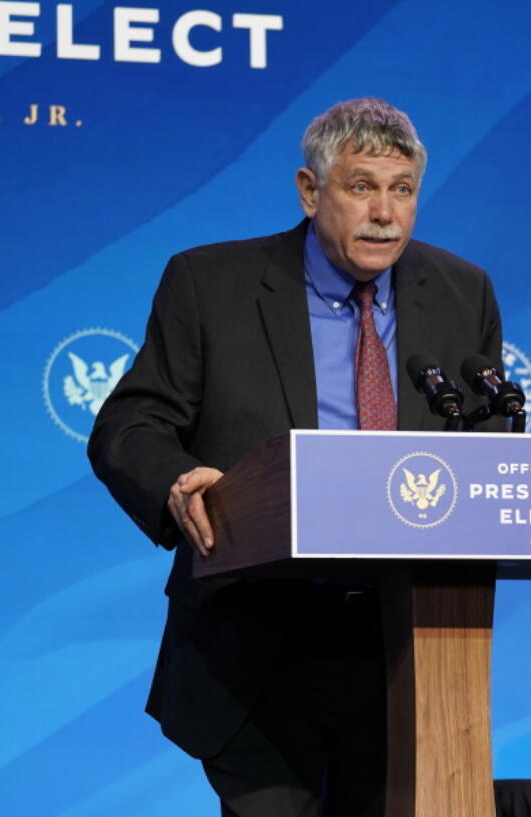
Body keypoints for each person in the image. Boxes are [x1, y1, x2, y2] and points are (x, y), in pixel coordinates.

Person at [88, 98, 503, 816]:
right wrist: (179, 483)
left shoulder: (464, 291)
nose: (385, 212)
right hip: (258, 641)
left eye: (402, 189)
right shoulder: (210, 284)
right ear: (310, 191)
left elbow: (487, 443)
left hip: (413, 642)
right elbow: (131, 421)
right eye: (361, 186)